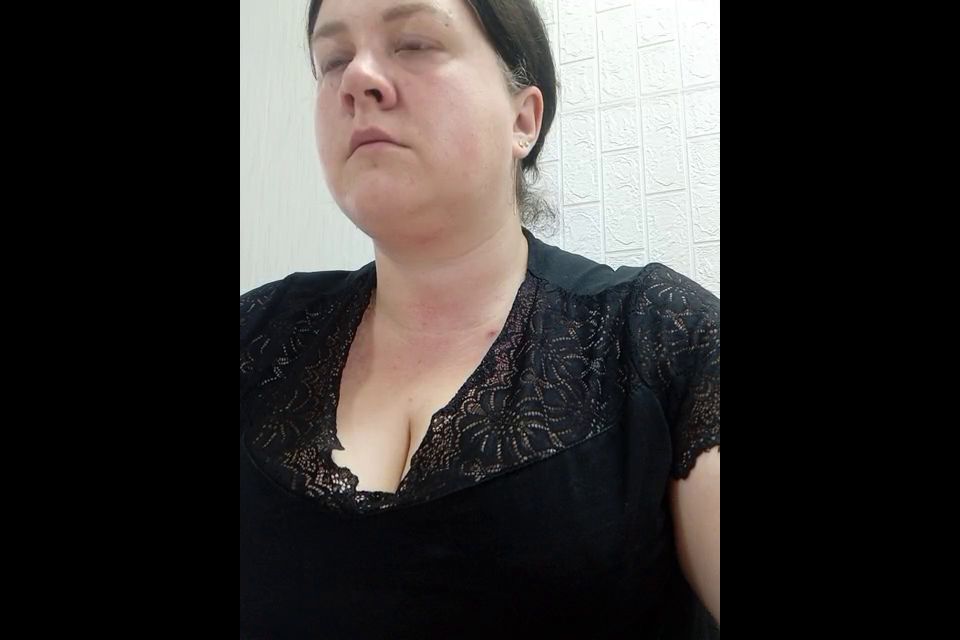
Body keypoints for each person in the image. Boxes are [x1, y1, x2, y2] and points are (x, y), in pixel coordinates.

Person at [240, 1, 720, 637]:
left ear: (523, 119)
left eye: (414, 43)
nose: (357, 78)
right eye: (332, 59)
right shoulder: (256, 336)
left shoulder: (663, 335)